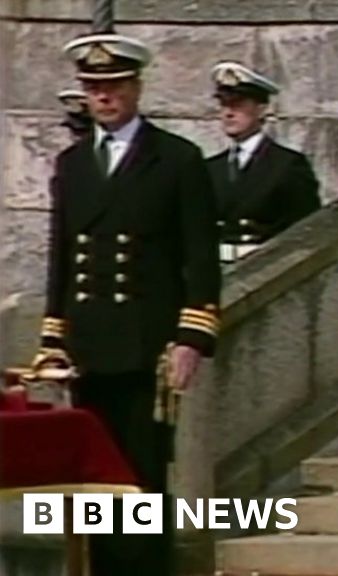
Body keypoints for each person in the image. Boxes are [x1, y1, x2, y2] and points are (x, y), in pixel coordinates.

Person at [34, 33, 221, 576]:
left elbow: (200, 258)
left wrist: (192, 337)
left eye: (113, 86)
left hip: (146, 346)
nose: (104, 97)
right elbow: (63, 257)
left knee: (139, 478)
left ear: (135, 87)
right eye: (93, 88)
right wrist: (53, 338)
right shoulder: (72, 165)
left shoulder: (177, 160)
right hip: (89, 347)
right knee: (94, 484)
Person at [205, 61, 320, 264]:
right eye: (224, 104)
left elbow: (307, 232)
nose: (228, 113)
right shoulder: (210, 168)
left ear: (261, 109)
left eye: (238, 104)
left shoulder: (288, 165)